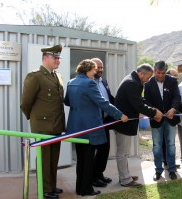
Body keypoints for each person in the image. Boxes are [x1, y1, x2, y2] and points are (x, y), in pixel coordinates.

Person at [64, 59, 128, 196]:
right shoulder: (89, 83)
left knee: (81, 160)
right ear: (88, 70)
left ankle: (80, 188)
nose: (95, 72)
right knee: (87, 160)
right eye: (94, 70)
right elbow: (103, 103)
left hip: (75, 127)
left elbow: (67, 101)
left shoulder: (71, 82)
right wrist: (120, 115)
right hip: (89, 127)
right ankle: (86, 189)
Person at [21, 44, 65, 199]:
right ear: (45, 58)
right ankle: (45, 190)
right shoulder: (35, 76)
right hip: (42, 126)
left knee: (53, 158)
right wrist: (35, 119)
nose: (58, 60)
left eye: (59, 57)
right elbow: (25, 103)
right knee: (44, 158)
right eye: (55, 57)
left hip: (57, 124)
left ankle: (51, 186)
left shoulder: (57, 76)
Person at [113, 63, 163, 187]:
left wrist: (153, 108)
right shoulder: (131, 83)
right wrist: (154, 113)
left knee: (125, 152)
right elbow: (138, 105)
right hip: (123, 123)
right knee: (122, 153)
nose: (149, 80)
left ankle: (126, 175)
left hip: (127, 123)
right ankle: (125, 179)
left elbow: (140, 100)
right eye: (148, 77)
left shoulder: (134, 81)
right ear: (141, 73)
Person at [144, 60, 181, 181]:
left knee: (171, 145)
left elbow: (177, 96)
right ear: (154, 71)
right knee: (157, 146)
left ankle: (171, 170)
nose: (160, 75)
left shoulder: (172, 80)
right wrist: (154, 112)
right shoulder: (148, 83)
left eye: (163, 73)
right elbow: (146, 101)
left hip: (170, 118)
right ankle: (158, 170)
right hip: (156, 120)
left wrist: (174, 109)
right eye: (158, 72)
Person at [91, 58, 114, 187]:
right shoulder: (89, 82)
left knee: (104, 149)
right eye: (97, 67)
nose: (100, 70)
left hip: (105, 121)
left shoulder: (103, 81)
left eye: (102, 67)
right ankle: (93, 177)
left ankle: (100, 174)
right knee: (95, 150)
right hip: (95, 122)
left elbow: (109, 99)